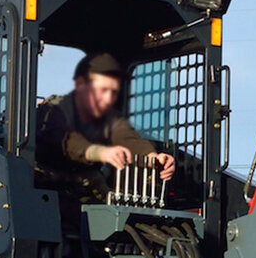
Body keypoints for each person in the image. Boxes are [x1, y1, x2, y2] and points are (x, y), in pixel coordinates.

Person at [35, 52, 175, 205]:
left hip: (83, 190)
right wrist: (100, 152)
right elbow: (66, 141)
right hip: (44, 191)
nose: (108, 98)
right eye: (103, 90)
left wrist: (154, 158)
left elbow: (127, 138)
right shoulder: (54, 111)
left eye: (113, 92)